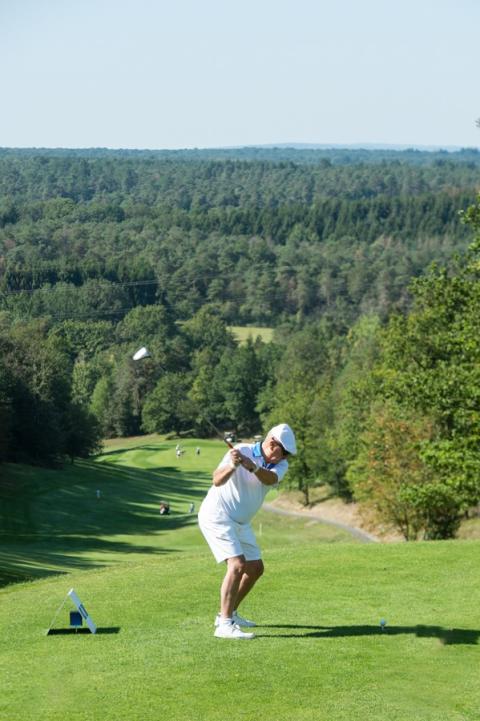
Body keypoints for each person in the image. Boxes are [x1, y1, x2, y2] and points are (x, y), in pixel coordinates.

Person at [198, 423, 297, 640]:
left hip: (241, 523)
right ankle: (224, 625)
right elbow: (217, 480)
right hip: (218, 515)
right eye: (283, 453)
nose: (284, 458)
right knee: (237, 564)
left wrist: (252, 467)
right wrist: (233, 465)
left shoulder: (281, 465)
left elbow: (270, 479)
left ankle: (228, 613)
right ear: (272, 443)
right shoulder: (241, 450)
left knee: (255, 568)